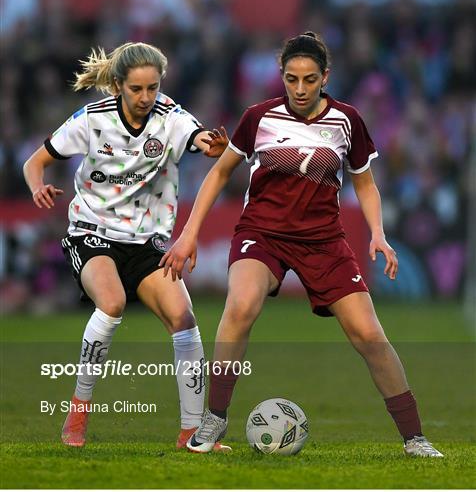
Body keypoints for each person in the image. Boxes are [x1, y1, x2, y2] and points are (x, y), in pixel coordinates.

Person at [160, 32, 444, 458]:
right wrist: (188, 233)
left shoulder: (347, 120)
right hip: (263, 232)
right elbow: (219, 174)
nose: (299, 88)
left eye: (309, 79)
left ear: (325, 77)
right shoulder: (258, 117)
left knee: (369, 335)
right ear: (282, 76)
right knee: (240, 306)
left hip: (324, 240)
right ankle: (213, 419)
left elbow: (365, 185)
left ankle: (415, 438)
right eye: (291, 79)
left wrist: (379, 234)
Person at [23, 42, 230, 451]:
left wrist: (211, 146)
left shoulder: (170, 117)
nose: (146, 97)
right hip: (91, 232)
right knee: (113, 302)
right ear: (118, 86)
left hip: (147, 242)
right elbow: (34, 162)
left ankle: (190, 433)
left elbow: (197, 135)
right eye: (137, 89)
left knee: (184, 319)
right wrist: (37, 188)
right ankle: (78, 411)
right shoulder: (92, 119)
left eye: (153, 88)